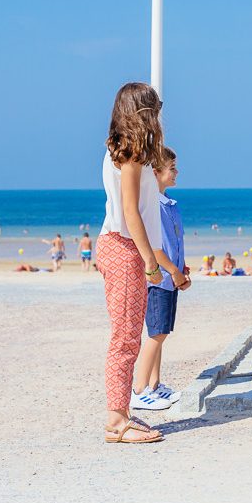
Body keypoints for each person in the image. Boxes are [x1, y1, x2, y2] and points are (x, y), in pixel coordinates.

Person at [96, 82, 181, 445]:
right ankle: (116, 421)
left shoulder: (128, 152)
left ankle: (122, 415)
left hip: (121, 246)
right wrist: (150, 261)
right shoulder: (128, 154)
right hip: (124, 247)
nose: (159, 115)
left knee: (128, 335)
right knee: (126, 337)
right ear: (143, 112)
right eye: (155, 109)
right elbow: (131, 212)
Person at [131, 147, 191, 412]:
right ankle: (139, 389)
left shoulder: (170, 206)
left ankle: (155, 385)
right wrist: (173, 271)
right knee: (156, 333)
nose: (176, 172)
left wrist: (181, 268)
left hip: (171, 277)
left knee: (162, 333)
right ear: (155, 173)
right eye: (172, 168)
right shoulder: (152, 206)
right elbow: (155, 248)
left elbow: (175, 243)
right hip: (158, 280)